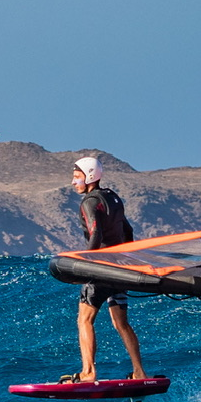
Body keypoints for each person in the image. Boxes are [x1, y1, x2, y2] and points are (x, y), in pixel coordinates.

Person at [67, 156, 148, 382]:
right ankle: (139, 372)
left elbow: (95, 233)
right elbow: (128, 230)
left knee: (84, 319)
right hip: (119, 269)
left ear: (89, 176)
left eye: (77, 177)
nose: (73, 182)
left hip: (101, 269)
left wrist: (87, 263)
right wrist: (127, 259)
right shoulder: (113, 198)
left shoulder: (89, 202)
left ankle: (89, 372)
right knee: (121, 322)